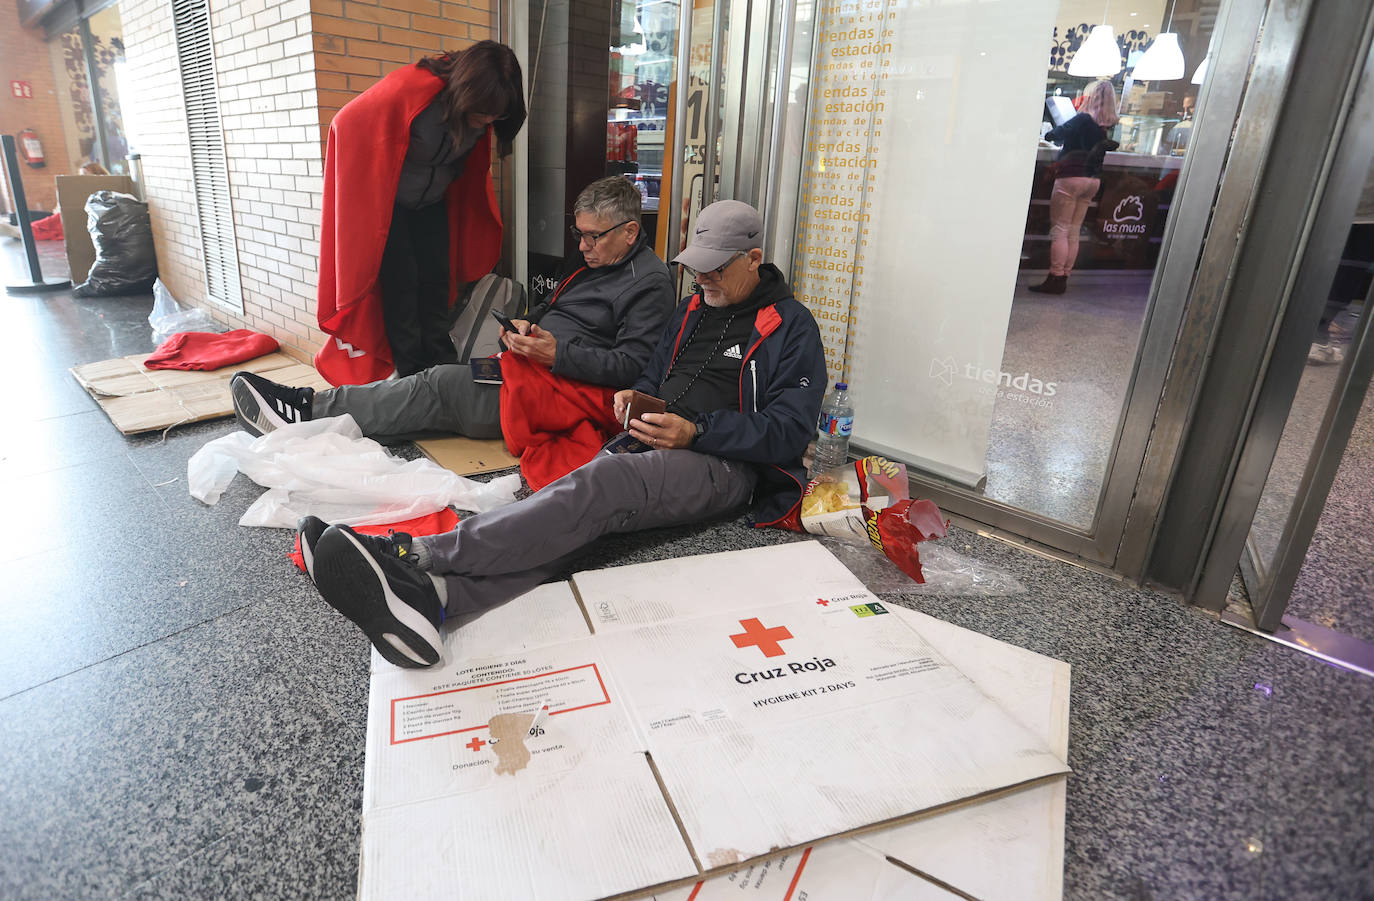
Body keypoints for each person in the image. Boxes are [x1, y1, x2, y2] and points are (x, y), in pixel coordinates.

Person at [297, 200, 828, 669]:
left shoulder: (791, 326)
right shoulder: (691, 308)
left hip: (725, 464)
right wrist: (633, 397)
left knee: (604, 486)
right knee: (581, 518)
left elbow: (788, 432)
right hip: (653, 436)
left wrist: (697, 430)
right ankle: (433, 600)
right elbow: (652, 372)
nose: (702, 279)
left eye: (715, 269)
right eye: (696, 268)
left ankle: (418, 556)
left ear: (754, 260)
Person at [231, 176, 675, 476]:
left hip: (566, 391)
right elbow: (553, 311)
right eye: (578, 234)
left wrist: (556, 354)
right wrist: (529, 325)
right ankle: (311, 419)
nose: (582, 246)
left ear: (631, 232)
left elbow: (633, 366)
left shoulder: (650, 283)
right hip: (536, 368)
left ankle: (304, 409)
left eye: (592, 237)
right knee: (432, 395)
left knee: (439, 386)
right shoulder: (594, 261)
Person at [315, 41, 527, 384]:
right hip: (389, 209)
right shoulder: (412, 89)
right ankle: (412, 374)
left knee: (437, 283)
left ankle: (441, 366)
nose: (487, 120)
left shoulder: (486, 111)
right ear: (466, 92)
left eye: (496, 114)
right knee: (402, 286)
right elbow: (345, 122)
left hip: (433, 203)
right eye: (482, 112)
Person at [1030, 79, 1120, 295]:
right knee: (1073, 231)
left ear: (1090, 97)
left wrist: (1049, 132)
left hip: (1071, 177)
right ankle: (1065, 277)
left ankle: (1055, 277)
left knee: (1060, 229)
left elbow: (1055, 135)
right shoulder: (1105, 127)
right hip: (1092, 181)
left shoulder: (1082, 119)